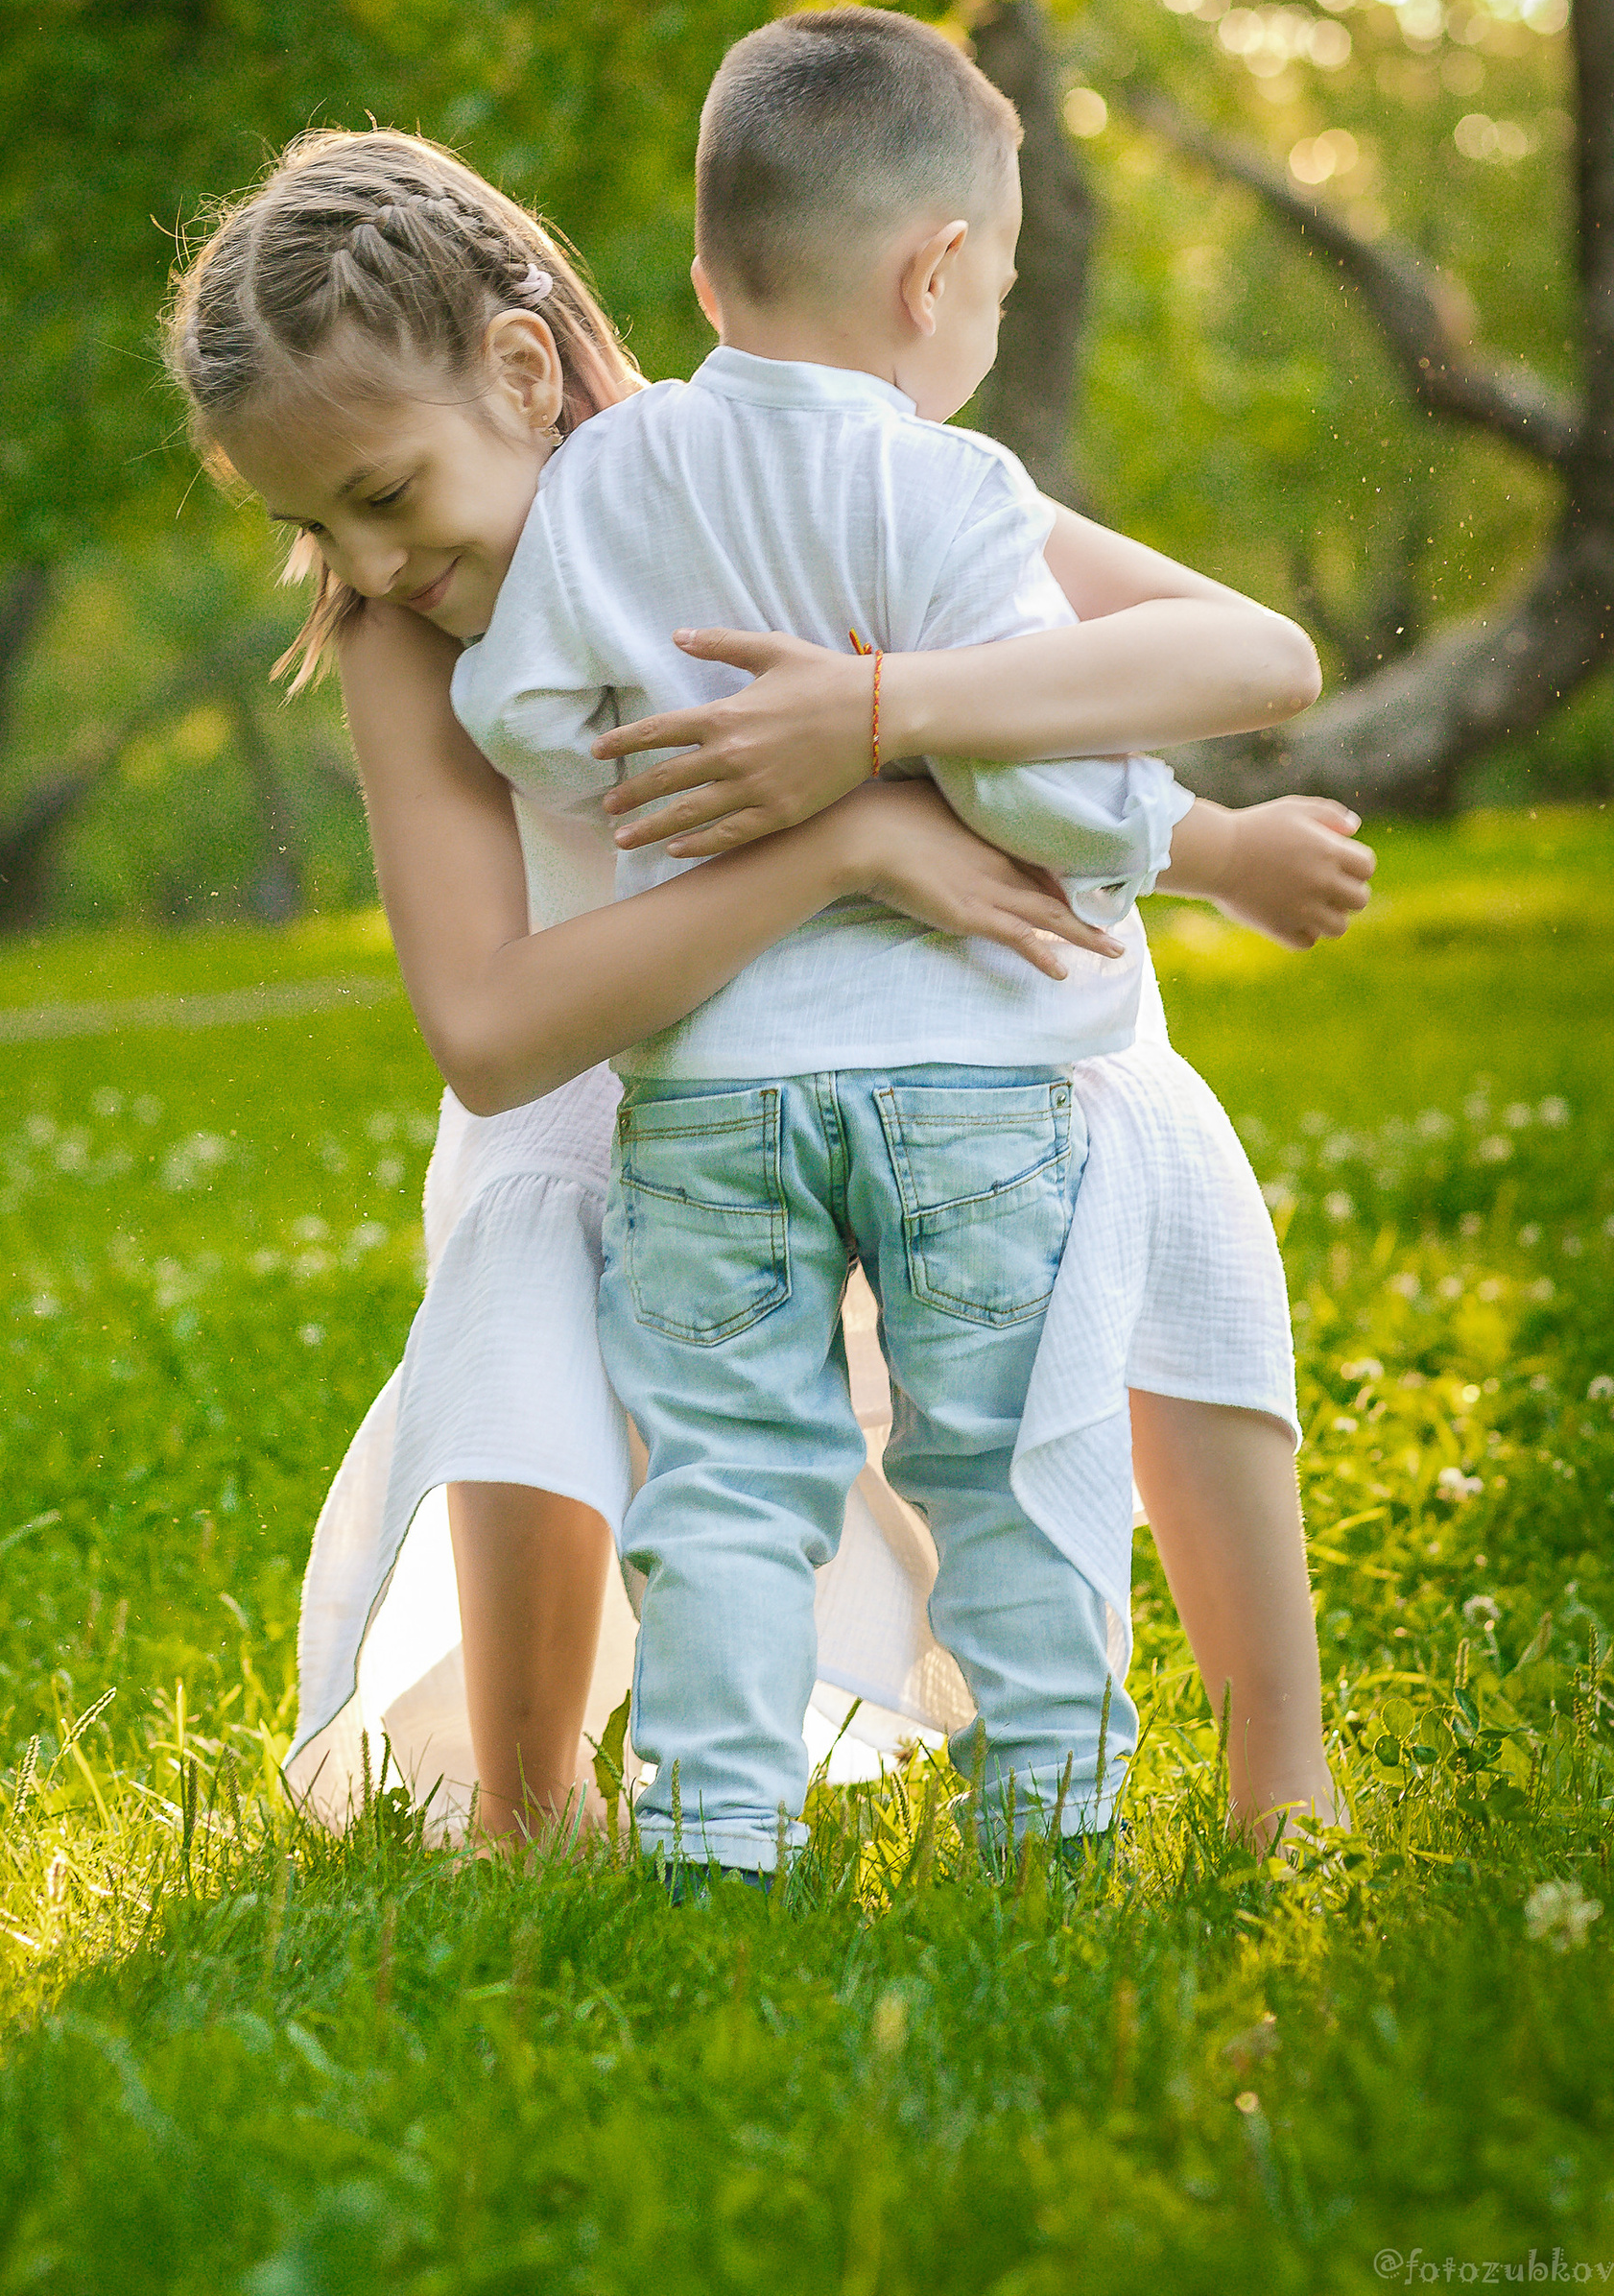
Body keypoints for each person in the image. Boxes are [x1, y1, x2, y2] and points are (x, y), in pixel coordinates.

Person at [162, 92, 1367, 1861]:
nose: (365, 567)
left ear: (516, 369)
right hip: (627, 1063)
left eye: (381, 498)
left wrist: (886, 717)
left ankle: (1286, 1767)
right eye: (314, 529)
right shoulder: (401, 643)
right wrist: (846, 842)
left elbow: (1243, 651)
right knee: (529, 1217)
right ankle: (531, 1794)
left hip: (967, 1029)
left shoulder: (795, 471)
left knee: (1146, 1140)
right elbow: (492, 1035)